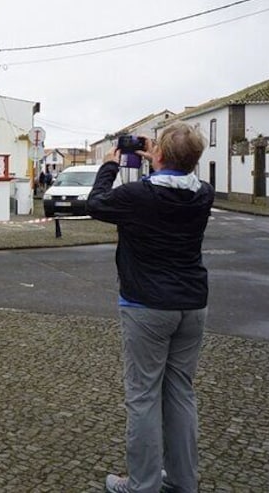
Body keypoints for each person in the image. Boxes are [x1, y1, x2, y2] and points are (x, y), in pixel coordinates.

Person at [86, 121, 215, 493]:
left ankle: (142, 485)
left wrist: (111, 165)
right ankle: (182, 480)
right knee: (180, 392)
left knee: (143, 396)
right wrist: (159, 155)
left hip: (146, 304)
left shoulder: (138, 196)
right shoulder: (204, 193)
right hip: (192, 304)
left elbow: (97, 203)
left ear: (158, 155)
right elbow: (173, 179)